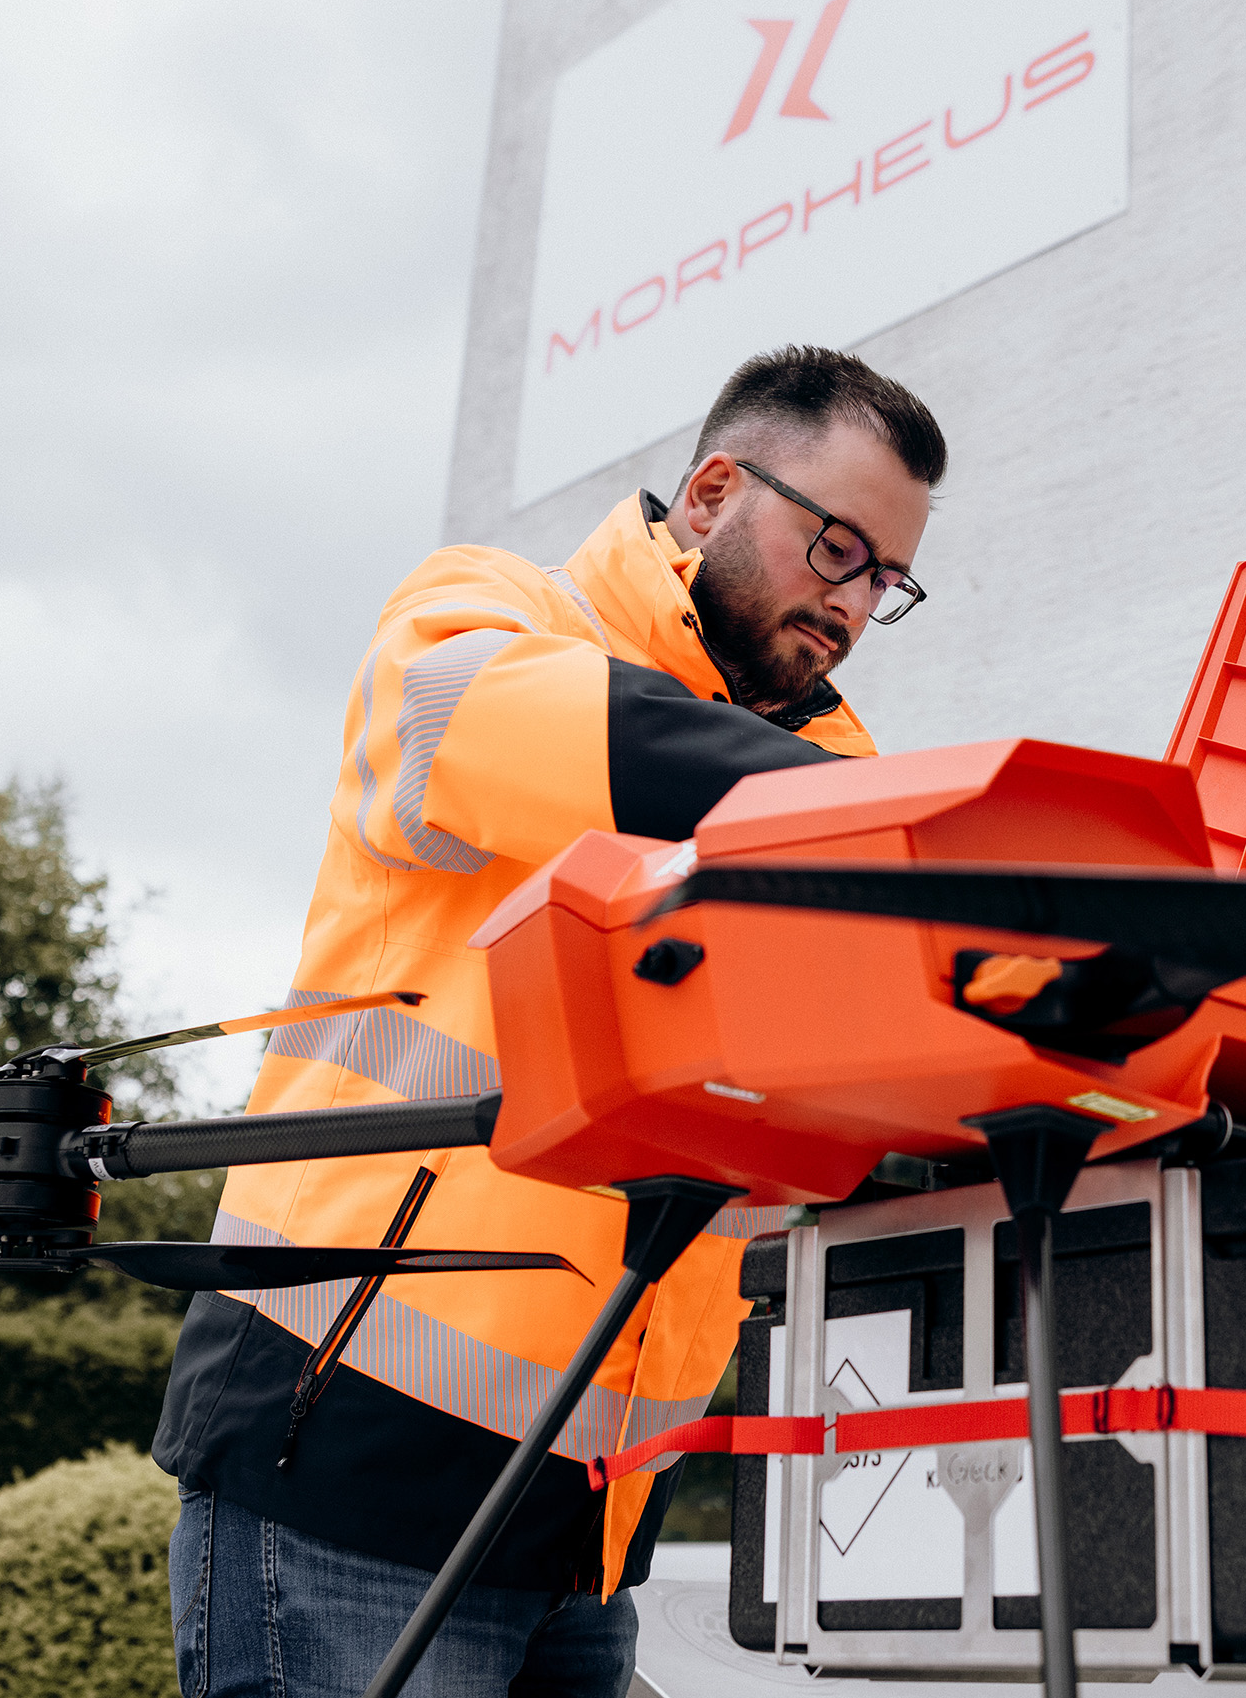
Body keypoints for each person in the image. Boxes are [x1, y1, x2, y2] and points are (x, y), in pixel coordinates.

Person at [156, 345, 947, 1698]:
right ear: (710, 492)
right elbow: (576, 743)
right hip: (340, 1472)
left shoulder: (839, 785)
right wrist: (922, 835)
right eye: (836, 547)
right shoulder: (483, 616)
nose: (856, 603)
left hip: (590, 1530)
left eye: (888, 577)